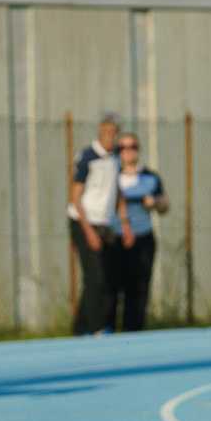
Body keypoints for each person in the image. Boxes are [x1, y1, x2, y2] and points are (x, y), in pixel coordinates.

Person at [68, 114, 121, 335]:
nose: (109, 136)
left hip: (106, 223)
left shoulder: (116, 157)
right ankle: (97, 327)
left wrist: (123, 224)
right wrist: (88, 230)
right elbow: (75, 195)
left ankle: (80, 329)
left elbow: (118, 192)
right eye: (106, 131)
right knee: (95, 276)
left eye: (113, 132)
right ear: (100, 132)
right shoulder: (88, 157)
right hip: (84, 221)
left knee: (104, 277)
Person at [111, 132, 167, 334]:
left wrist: (155, 202)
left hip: (143, 236)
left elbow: (164, 204)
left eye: (132, 146)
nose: (128, 151)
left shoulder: (150, 177)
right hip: (115, 237)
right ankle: (107, 328)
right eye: (123, 147)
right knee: (114, 284)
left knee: (139, 284)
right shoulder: (112, 176)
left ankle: (133, 329)